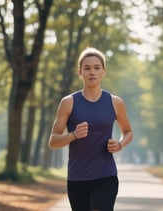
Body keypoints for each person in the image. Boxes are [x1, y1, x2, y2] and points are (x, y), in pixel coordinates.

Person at [48, 47, 133, 211]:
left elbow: (128, 131)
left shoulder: (115, 103)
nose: (92, 72)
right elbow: (53, 141)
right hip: (77, 178)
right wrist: (73, 135)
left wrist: (120, 144)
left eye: (96, 68)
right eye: (87, 68)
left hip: (106, 176)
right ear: (80, 72)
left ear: (104, 71)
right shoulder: (68, 102)